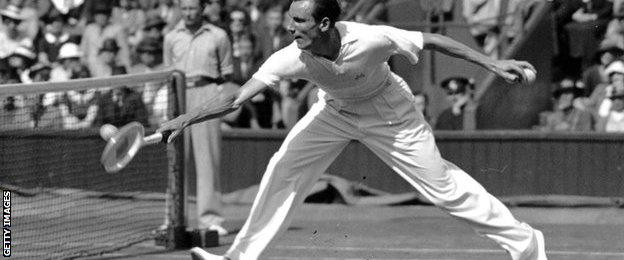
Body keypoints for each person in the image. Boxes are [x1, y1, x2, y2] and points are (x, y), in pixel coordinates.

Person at [157, 0, 546, 259]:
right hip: (335, 112)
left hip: (390, 113)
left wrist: (492, 64)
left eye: (300, 20)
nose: (291, 27)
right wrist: (184, 120)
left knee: (442, 189)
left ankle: (526, 245)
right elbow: (237, 97)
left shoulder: (370, 38)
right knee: (283, 167)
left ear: (324, 23)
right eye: (290, 18)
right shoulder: (291, 55)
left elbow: (434, 40)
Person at [163, 0, 233, 236]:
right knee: (176, 160)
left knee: (208, 160)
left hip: (208, 94)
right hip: (178, 96)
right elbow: (167, 72)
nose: (188, 13)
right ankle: (172, 219)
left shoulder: (219, 36)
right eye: (184, 8)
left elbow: (227, 73)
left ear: (202, 8)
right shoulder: (171, 37)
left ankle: (211, 219)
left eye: (193, 8)